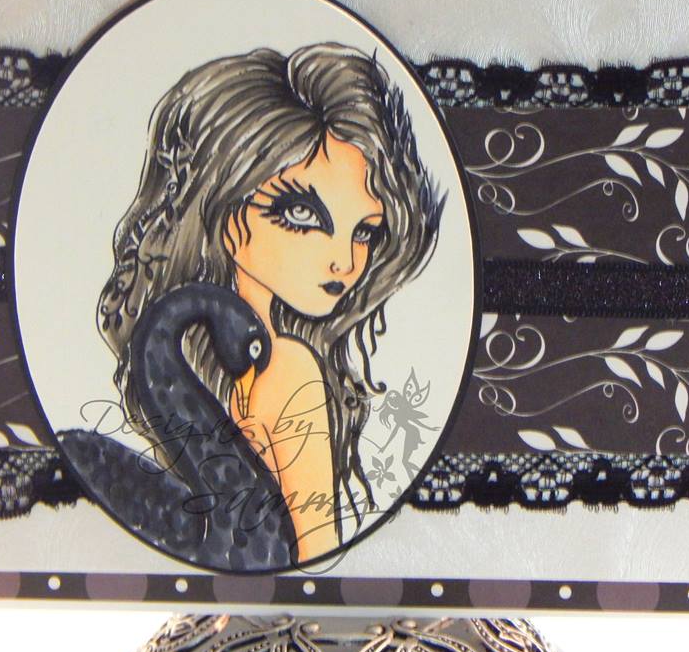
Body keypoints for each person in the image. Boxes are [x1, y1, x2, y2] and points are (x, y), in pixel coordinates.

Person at [95, 42, 445, 564]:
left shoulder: (229, 363)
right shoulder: (284, 368)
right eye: (304, 215)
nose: (345, 261)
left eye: (365, 232)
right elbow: (316, 561)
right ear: (227, 212)